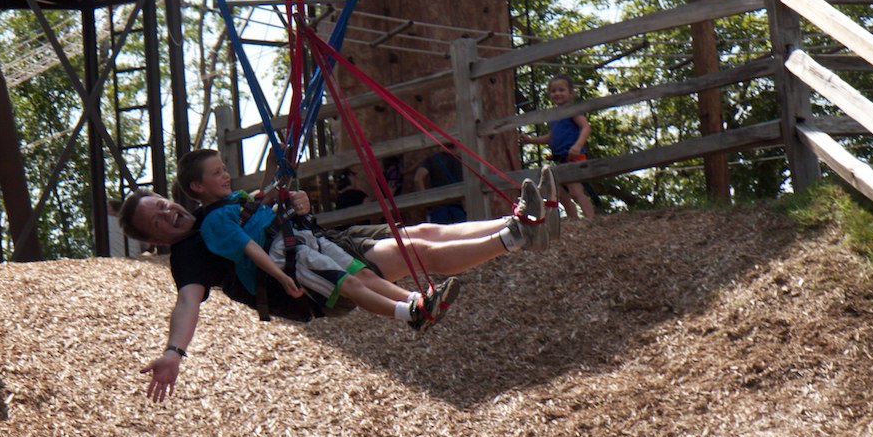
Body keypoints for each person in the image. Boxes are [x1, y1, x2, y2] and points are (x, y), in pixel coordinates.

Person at [118, 168, 557, 403]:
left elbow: (269, 211)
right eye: (157, 221)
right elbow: (187, 303)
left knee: (421, 233)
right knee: (414, 255)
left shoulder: (216, 204)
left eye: (162, 204)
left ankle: (521, 219)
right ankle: (513, 238)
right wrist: (175, 351)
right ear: (156, 239)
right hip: (308, 279)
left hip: (321, 242)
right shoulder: (189, 253)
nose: (167, 213)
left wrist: (298, 203)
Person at [177, 149, 458, 335]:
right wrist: (280, 277)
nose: (225, 175)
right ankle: (409, 314)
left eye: (224, 168)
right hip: (281, 256)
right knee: (349, 284)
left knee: (363, 273)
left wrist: (274, 164)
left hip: (298, 237)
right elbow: (249, 248)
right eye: (216, 173)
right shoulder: (214, 221)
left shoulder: (235, 200)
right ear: (198, 187)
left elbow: (264, 199)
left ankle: (419, 301)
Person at [519, 75, 596, 220]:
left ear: (571, 93)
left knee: (575, 190)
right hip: (561, 158)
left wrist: (578, 145)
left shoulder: (572, 110)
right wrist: (531, 140)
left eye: (562, 90)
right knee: (561, 193)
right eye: (554, 91)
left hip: (574, 156)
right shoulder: (554, 115)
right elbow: (551, 137)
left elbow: (585, 127)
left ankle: (590, 218)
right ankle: (574, 219)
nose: (557, 93)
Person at [414, 147, 466, 224]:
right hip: (457, 208)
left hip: (438, 208)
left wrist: (425, 202)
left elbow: (418, 179)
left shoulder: (432, 159)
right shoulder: (462, 162)